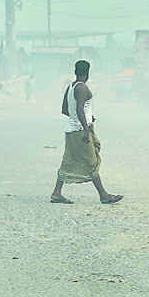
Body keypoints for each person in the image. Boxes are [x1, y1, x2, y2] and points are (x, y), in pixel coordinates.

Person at [50, 60, 123, 204]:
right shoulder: (82, 87)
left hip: (71, 129)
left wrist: (88, 117)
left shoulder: (70, 87)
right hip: (80, 131)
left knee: (68, 161)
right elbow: (79, 108)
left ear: (75, 71)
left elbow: (65, 110)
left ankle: (56, 193)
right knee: (91, 161)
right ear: (87, 72)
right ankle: (104, 195)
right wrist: (85, 129)